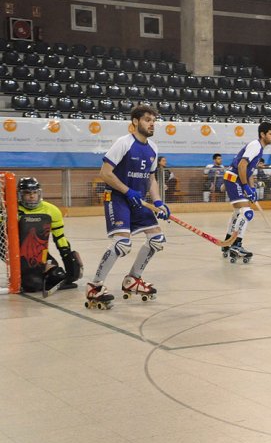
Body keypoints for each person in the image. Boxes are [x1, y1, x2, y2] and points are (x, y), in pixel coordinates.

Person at [85, 104, 169, 309]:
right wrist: (127, 191)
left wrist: (158, 201)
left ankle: (133, 280)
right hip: (117, 198)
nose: (152, 124)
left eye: (154, 121)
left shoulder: (153, 148)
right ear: (135, 122)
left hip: (139, 201)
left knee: (156, 239)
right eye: (147, 120)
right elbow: (105, 173)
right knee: (122, 244)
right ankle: (95, 286)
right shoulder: (124, 143)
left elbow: (151, 179)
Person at [221, 122, 271, 261]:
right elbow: (241, 165)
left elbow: (249, 171)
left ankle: (228, 242)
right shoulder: (255, 146)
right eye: (270, 134)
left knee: (238, 213)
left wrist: (252, 188)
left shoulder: (259, 149)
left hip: (234, 179)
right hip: (234, 179)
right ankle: (236, 244)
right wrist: (245, 186)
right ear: (262, 134)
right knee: (247, 212)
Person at [16, 177, 83, 294]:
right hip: (16, 254)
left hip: (40, 253)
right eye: (27, 193)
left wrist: (68, 258)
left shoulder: (51, 210)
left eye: (35, 193)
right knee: (32, 285)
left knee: (57, 275)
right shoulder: (13, 210)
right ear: (20, 195)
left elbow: (60, 237)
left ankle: (39, 274)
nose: (32, 196)